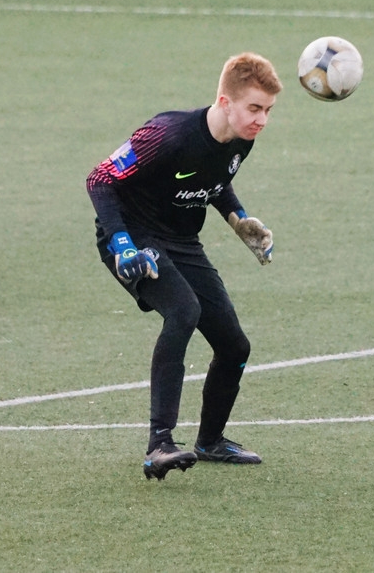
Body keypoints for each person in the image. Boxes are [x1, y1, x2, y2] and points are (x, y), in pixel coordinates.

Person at [86, 52, 282, 481]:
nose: (262, 120)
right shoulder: (167, 135)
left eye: (268, 110)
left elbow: (214, 180)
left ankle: (211, 441)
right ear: (225, 102)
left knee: (234, 346)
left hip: (180, 241)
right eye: (254, 108)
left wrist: (239, 220)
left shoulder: (242, 138)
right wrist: (122, 246)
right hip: (132, 236)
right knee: (183, 310)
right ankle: (159, 445)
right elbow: (100, 179)